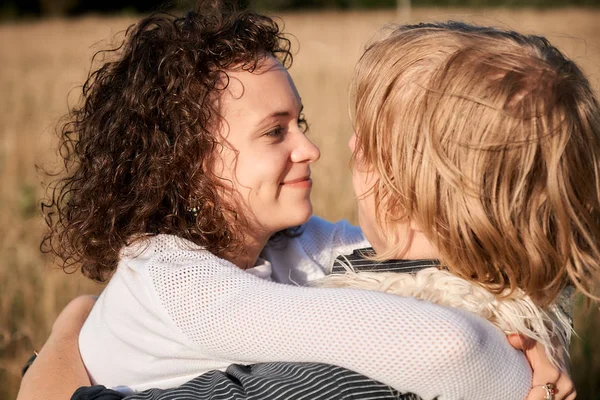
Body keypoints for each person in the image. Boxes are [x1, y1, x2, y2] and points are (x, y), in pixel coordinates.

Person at [20, 4, 577, 400]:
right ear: (187, 166)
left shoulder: (289, 244)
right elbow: (452, 347)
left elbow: (434, 253)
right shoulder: (173, 278)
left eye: (300, 122)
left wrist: (538, 329)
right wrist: (517, 364)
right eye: (275, 132)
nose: (310, 148)